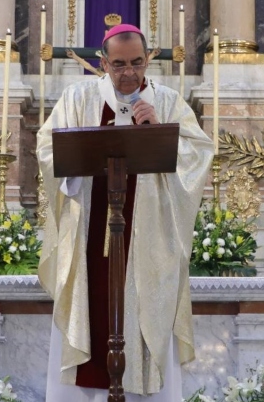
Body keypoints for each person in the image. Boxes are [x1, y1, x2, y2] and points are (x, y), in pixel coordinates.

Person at [37, 24, 213, 400]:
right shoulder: (77, 99)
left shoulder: (167, 104)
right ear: (102, 62)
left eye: (136, 62)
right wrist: (75, 167)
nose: (129, 73)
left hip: (148, 242)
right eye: (118, 65)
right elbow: (49, 149)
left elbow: (199, 155)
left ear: (148, 59)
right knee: (91, 317)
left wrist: (157, 132)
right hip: (88, 235)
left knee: (144, 316)